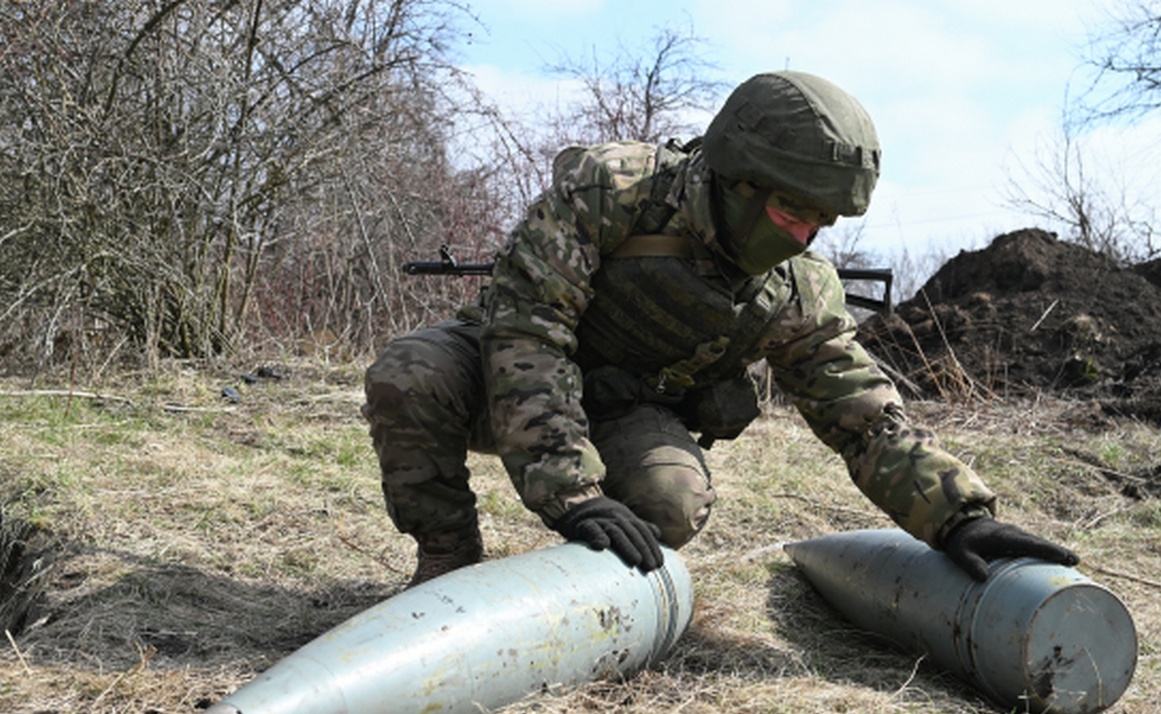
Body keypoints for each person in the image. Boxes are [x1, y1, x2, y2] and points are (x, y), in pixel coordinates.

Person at [362, 70, 1078, 586]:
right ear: (739, 179)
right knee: (408, 374)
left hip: (624, 406)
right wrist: (570, 491)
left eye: (820, 224)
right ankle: (448, 558)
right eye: (791, 213)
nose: (804, 237)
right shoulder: (612, 193)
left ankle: (576, 590)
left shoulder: (795, 289)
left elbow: (859, 412)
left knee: (671, 502)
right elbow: (529, 332)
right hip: (498, 373)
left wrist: (958, 516)